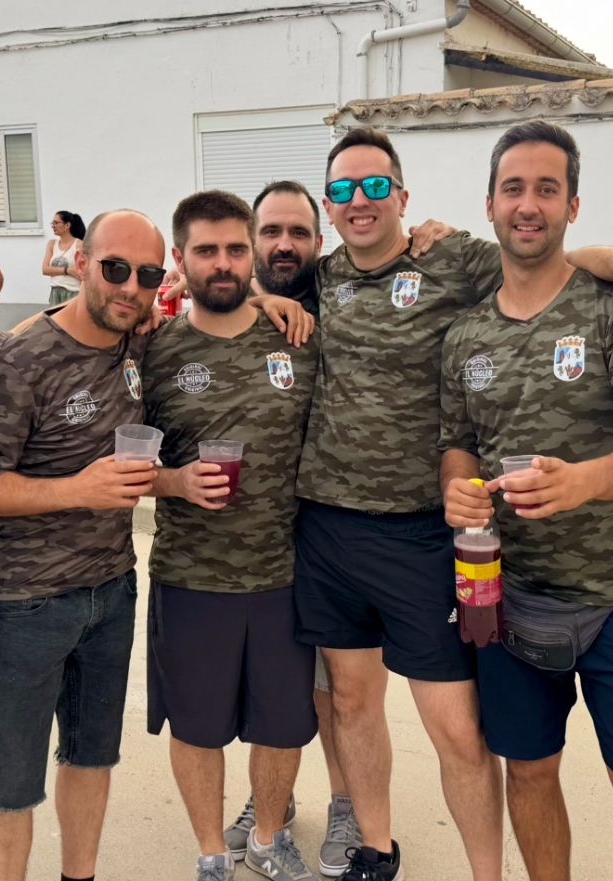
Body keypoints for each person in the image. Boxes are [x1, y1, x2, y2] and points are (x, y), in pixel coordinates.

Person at [293, 125, 613, 881]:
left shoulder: (513, 276)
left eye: (375, 185)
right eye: (342, 189)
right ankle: (389, 847)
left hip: (543, 570)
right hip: (415, 556)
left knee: (601, 775)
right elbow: (457, 437)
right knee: (462, 746)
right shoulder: (341, 285)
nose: (359, 200)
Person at [440, 120, 613, 881]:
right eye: (513, 187)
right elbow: (458, 439)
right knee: (530, 773)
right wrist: (454, 486)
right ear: (489, 204)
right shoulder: (465, 335)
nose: (528, 203)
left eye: (547, 189)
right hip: (513, 600)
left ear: (571, 207)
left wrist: (582, 480)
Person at [0, 209, 162, 881]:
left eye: (148, 274)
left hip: (113, 589)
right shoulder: (23, 358)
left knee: (92, 757)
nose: (130, 286)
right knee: (11, 783)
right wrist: (78, 488)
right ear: (79, 262)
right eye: (114, 268)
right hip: (28, 603)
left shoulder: (138, 343)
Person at [143, 191, 320, 881]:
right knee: (197, 726)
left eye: (235, 249)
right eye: (206, 251)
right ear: (180, 263)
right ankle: (211, 850)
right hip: (191, 574)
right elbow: (124, 464)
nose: (223, 262)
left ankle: (268, 837)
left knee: (282, 724)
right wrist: (175, 482)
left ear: (251, 256)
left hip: (285, 571)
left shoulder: (298, 337)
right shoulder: (154, 353)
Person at [219, 180, 363, 877]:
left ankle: (347, 803)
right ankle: (267, 799)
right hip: (258, 533)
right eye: (270, 231)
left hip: (335, 525)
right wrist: (254, 297)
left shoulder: (340, 292)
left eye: (298, 232)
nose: (284, 244)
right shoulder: (228, 300)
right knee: (273, 678)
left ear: (320, 240)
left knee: (337, 682)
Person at [43, 211, 86, 306]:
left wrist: (56, 270)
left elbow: (83, 272)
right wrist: (68, 270)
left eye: (56, 223)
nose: (53, 226)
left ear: (67, 225)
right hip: (55, 291)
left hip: (73, 292)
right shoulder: (52, 244)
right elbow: (45, 270)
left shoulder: (79, 245)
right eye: (52, 223)